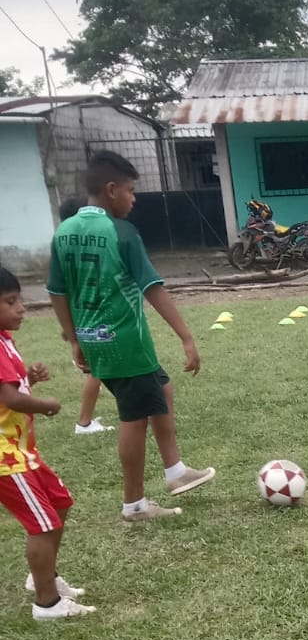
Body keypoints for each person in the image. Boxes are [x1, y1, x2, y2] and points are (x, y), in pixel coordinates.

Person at [47, 151, 214, 522]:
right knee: (134, 417)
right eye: (131, 190)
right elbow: (152, 287)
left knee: (161, 387)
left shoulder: (64, 231)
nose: (134, 199)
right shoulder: (121, 232)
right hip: (124, 340)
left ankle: (175, 471)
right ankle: (134, 505)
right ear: (111, 190)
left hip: (93, 339)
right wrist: (186, 337)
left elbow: (56, 291)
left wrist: (74, 338)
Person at [0, 267, 95, 620]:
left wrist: (29, 379)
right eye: (11, 301)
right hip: (6, 457)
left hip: (22, 451)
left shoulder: (5, 340)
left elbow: (8, 391)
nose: (21, 307)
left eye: (20, 299)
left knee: (59, 502)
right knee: (42, 523)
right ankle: (47, 603)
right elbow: (10, 398)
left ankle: (44, 575)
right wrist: (44, 404)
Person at [57, 199, 112, 436]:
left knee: (102, 371)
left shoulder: (65, 249)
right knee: (95, 372)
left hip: (82, 319)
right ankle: (84, 423)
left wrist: (68, 328)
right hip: (91, 320)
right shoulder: (82, 250)